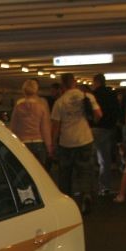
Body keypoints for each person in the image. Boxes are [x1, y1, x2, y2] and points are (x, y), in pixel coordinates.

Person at [52, 72, 102, 212]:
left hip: (66, 142)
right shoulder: (87, 97)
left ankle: (67, 202)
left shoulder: (59, 102)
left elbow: (55, 126)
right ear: (74, 82)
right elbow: (99, 114)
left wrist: (53, 143)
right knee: (85, 170)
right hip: (85, 139)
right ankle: (86, 195)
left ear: (62, 85)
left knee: (65, 173)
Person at [10, 78, 53, 167]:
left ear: (24, 90)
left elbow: (13, 127)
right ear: (36, 90)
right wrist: (49, 146)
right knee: (39, 170)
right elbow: (45, 129)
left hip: (23, 142)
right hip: (38, 142)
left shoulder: (18, 106)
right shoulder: (41, 107)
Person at [91, 74, 122, 195]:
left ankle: (89, 187)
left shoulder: (94, 95)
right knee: (105, 159)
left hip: (95, 128)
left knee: (90, 158)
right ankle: (104, 186)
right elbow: (117, 110)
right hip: (108, 128)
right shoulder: (112, 94)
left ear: (96, 82)